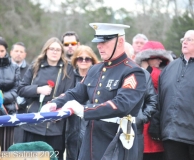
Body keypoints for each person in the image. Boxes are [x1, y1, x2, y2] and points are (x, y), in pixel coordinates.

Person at [41, 23, 147, 160]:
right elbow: (77, 92)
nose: (99, 46)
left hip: (115, 142)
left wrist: (84, 110)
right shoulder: (95, 69)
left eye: (104, 41)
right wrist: (55, 103)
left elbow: (122, 105)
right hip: (90, 141)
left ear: (120, 41)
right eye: (98, 42)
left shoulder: (133, 71)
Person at [18, 37, 75, 160]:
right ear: (46, 50)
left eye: (58, 50)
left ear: (61, 52)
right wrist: (38, 90)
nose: (54, 52)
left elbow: (70, 92)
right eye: (52, 49)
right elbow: (21, 89)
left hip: (56, 124)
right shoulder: (36, 65)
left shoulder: (68, 68)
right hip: (33, 123)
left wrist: (56, 102)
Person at [151, 30, 194, 160]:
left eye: (190, 39)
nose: (184, 42)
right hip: (172, 135)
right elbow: (159, 99)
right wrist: (155, 125)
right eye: (183, 39)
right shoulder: (170, 68)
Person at [135, 41, 173, 160]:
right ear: (146, 59)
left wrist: (149, 69)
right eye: (156, 58)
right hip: (141, 128)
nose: (160, 61)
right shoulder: (136, 73)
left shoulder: (163, 74)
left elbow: (161, 80)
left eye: (162, 58)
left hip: (157, 130)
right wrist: (147, 70)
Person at [124, 42, 157, 160]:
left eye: (125, 55)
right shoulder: (108, 74)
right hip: (109, 130)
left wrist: (141, 118)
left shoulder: (143, 75)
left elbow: (152, 101)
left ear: (133, 57)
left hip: (135, 131)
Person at [66, 45, 99, 160]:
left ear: (92, 61)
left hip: (91, 123)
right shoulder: (68, 77)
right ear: (75, 60)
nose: (84, 61)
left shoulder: (98, 77)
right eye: (80, 58)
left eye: (87, 59)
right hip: (70, 125)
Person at [10, 42, 29, 143]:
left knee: (19, 143)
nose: (18, 53)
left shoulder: (30, 70)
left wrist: (21, 103)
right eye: (16, 51)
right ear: (11, 52)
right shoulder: (4, 68)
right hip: (6, 109)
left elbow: (30, 89)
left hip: (23, 111)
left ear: (25, 55)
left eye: (21, 52)